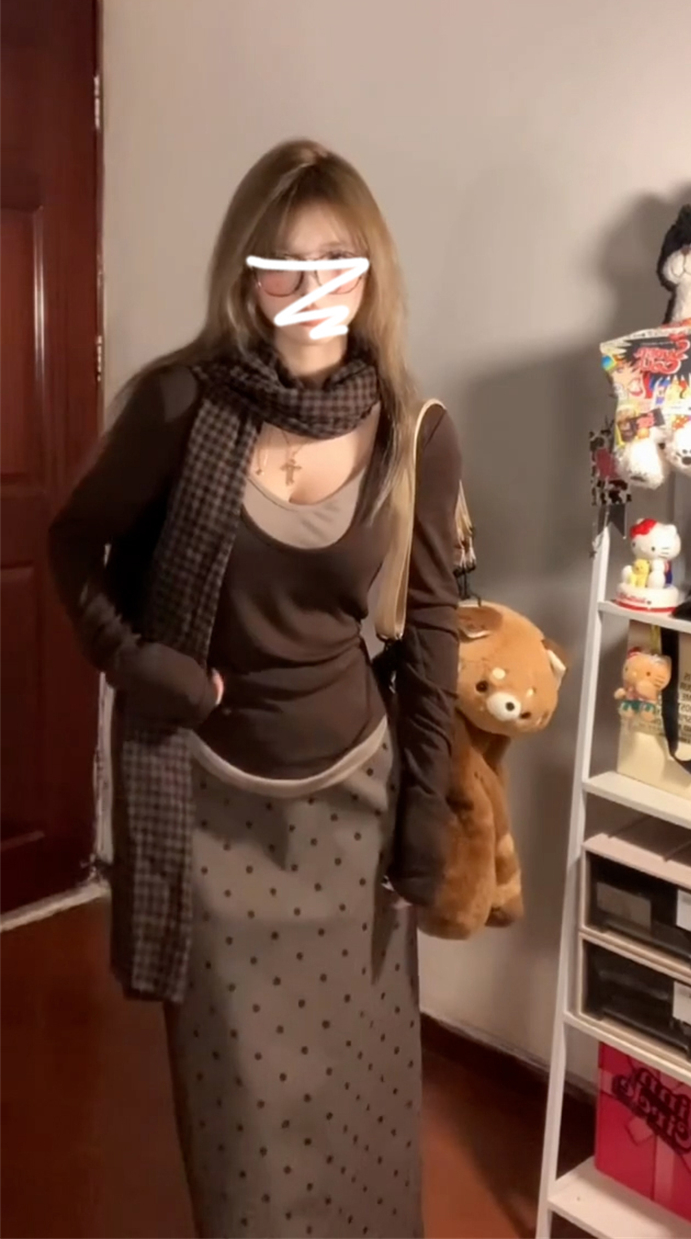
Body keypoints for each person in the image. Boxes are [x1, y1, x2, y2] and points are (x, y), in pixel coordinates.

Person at [48, 139, 461, 1239]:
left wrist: (425, 814)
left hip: (354, 817)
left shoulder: (413, 432)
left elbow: (429, 635)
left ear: (370, 272)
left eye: (335, 258)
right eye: (284, 261)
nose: (310, 283)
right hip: (209, 810)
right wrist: (132, 658)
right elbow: (74, 544)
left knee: (363, 1110)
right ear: (247, 274)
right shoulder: (179, 405)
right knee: (245, 1137)